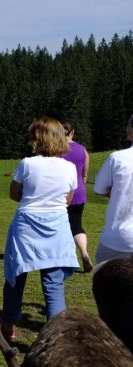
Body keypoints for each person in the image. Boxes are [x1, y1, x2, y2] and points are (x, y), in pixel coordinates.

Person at [0, 117, 79, 342]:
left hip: (26, 226)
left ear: (40, 138)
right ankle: (56, 338)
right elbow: (67, 200)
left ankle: (9, 324)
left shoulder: (27, 164)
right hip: (56, 228)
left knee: (16, 276)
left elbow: (14, 193)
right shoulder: (70, 168)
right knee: (54, 284)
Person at [93, 114, 133, 264]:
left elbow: (99, 189)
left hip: (117, 239)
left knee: (105, 284)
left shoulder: (117, 158)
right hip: (119, 239)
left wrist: (118, 192)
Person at [61, 121, 93, 272]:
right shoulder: (82, 150)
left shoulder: (56, 149)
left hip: (60, 193)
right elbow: (84, 174)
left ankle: (65, 258)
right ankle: (85, 253)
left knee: (61, 226)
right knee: (76, 224)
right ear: (72, 132)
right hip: (78, 192)